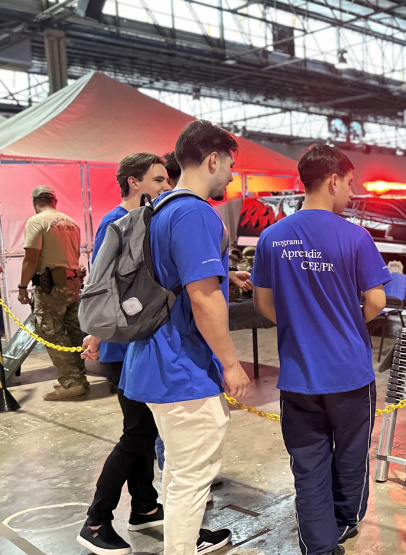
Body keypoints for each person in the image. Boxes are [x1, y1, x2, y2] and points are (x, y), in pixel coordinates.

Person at [252, 145, 389, 555]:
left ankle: (319, 546)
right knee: (350, 456)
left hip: (298, 375)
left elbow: (262, 302)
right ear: (333, 180)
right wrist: (346, 322)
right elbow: (376, 301)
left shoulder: (271, 237)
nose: (352, 191)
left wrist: (300, 324)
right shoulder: (355, 236)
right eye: (349, 182)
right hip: (349, 374)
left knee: (308, 465)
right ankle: (345, 520)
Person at [121, 120, 250, 555]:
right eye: (229, 164)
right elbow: (203, 298)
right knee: (193, 478)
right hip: (182, 368)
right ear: (213, 159)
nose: (230, 175)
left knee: (178, 472)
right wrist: (231, 364)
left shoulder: (160, 208)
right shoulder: (195, 212)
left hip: (153, 360)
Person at [75, 153, 172, 555]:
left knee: (144, 431)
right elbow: (102, 286)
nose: (166, 186)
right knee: (137, 433)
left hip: (139, 340)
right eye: (158, 179)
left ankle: (145, 505)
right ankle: (96, 520)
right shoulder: (115, 223)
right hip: (121, 345)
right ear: (134, 182)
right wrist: (95, 335)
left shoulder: (147, 220)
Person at [18, 185, 88, 400]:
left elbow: (31, 258)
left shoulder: (37, 221)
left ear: (35, 202)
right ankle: (79, 376)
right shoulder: (71, 222)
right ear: (54, 201)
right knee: (72, 330)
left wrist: (22, 287)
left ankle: (71, 382)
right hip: (72, 283)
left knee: (51, 332)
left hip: (51, 287)